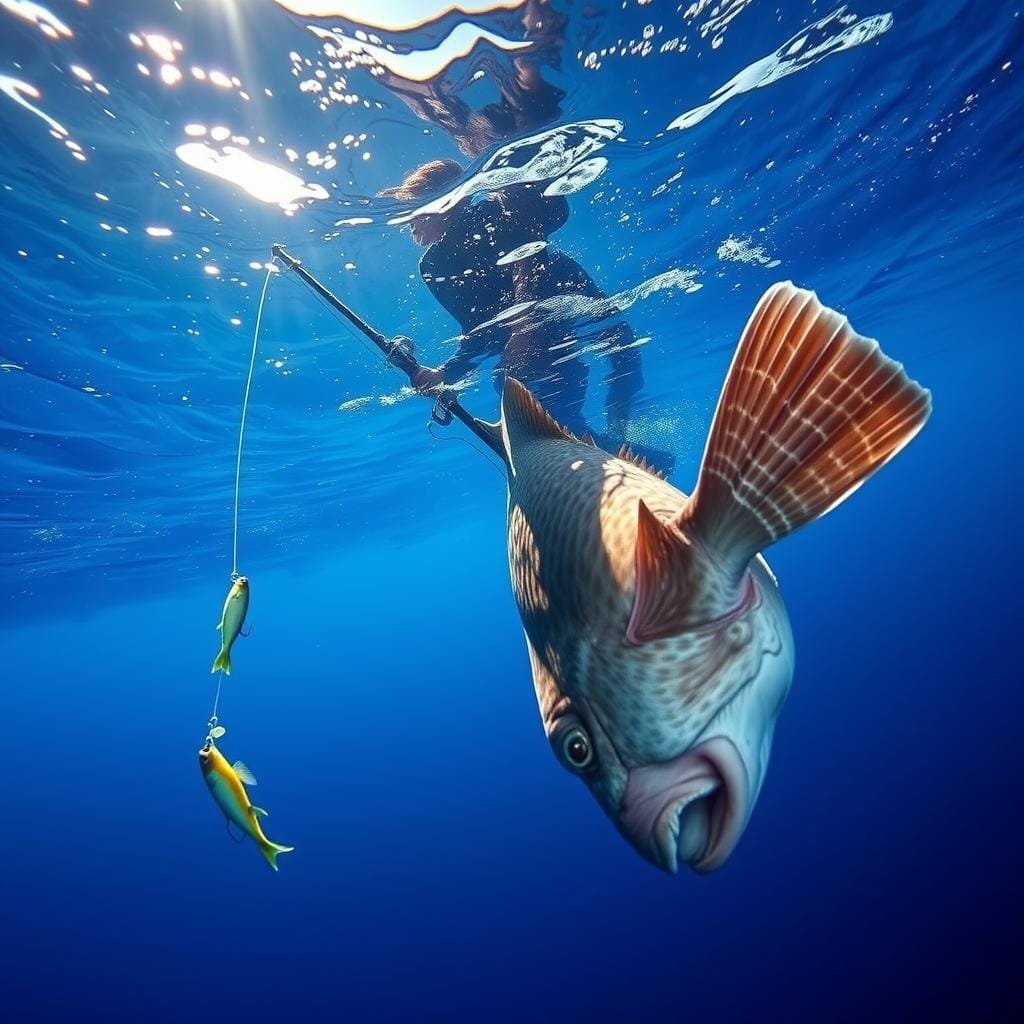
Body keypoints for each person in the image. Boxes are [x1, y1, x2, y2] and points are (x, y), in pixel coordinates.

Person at [380, 158, 653, 458]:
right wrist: (446, 373)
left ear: (445, 203)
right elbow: (477, 332)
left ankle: (621, 445)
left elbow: (530, 262)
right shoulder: (432, 267)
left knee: (625, 357)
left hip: (574, 298)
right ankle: (606, 453)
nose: (408, 220)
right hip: (533, 328)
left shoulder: (494, 214)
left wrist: (523, 327)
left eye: (415, 207)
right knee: (511, 382)